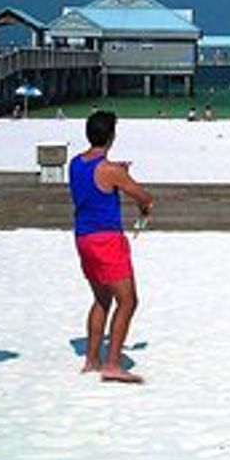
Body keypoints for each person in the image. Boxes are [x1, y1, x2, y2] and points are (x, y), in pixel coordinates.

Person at [69, 109, 153, 384]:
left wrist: (118, 171)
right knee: (128, 300)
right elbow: (143, 196)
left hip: (83, 238)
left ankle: (92, 360)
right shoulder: (110, 171)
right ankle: (113, 364)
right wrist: (141, 203)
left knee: (102, 299)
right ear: (111, 136)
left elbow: (99, 175)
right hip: (106, 239)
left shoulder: (76, 163)